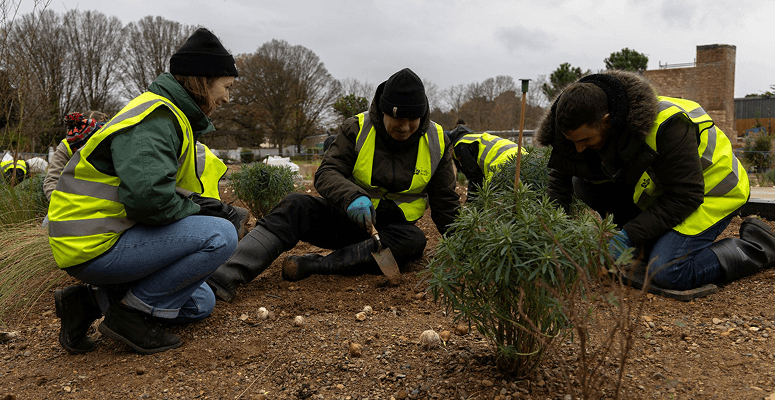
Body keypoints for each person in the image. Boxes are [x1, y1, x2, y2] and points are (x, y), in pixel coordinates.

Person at [48, 27, 239, 354]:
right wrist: (201, 212)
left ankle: (89, 303)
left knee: (200, 303)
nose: (226, 97)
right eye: (226, 86)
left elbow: (156, 190)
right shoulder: (154, 119)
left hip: (106, 236)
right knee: (220, 235)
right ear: (203, 80)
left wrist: (197, 206)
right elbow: (148, 200)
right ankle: (131, 317)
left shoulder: (169, 115)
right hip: (94, 245)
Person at [206, 68, 460, 302]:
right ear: (383, 111)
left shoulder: (437, 141)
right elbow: (327, 173)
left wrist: (465, 249)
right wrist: (351, 197)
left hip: (390, 233)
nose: (404, 128)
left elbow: (445, 202)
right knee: (295, 205)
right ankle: (223, 276)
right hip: (344, 219)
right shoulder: (357, 128)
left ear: (423, 114)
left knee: (414, 240)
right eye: (397, 120)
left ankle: (316, 265)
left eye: (412, 120)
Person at [535, 69, 775, 292]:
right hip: (669, 192)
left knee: (668, 272)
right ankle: (647, 244)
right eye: (572, 141)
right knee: (582, 182)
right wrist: (554, 238)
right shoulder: (575, 126)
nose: (578, 148)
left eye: (585, 139)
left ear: (608, 121)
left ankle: (757, 246)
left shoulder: (667, 125)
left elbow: (685, 196)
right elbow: (560, 182)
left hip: (713, 192)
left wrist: (627, 235)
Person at [446, 119, 523, 202]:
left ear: (450, 145)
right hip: (523, 155)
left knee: (494, 203)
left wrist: (471, 205)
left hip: (504, 163)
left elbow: (475, 179)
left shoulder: (461, 146)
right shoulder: (473, 138)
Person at [43, 111, 109, 202]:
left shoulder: (111, 142)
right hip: (71, 203)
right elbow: (52, 180)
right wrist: (58, 205)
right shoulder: (66, 146)